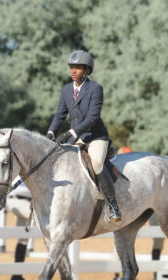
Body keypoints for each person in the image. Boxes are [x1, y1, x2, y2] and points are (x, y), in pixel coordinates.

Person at [46, 50, 121, 223]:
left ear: (87, 70)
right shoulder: (66, 89)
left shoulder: (95, 89)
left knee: (95, 163)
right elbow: (59, 115)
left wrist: (71, 132)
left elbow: (92, 118)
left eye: (77, 68)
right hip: (77, 136)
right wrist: (50, 133)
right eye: (72, 67)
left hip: (95, 136)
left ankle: (113, 206)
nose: (73, 71)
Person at [6, 179, 32, 280]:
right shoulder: (20, 169)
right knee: (39, 216)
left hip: (28, 202)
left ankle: (16, 274)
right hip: (15, 200)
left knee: (23, 239)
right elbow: (17, 189)